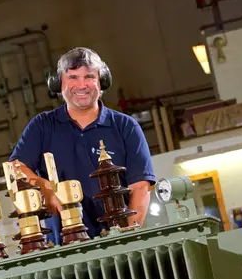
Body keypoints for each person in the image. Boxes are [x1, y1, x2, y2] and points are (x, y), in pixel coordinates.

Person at [8, 47, 156, 245]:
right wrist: (44, 187)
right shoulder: (42, 126)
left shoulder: (125, 127)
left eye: (89, 76)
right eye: (73, 77)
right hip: (63, 246)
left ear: (101, 81)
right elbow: (16, 168)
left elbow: (140, 187)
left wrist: (128, 237)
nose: (81, 85)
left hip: (117, 240)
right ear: (59, 82)